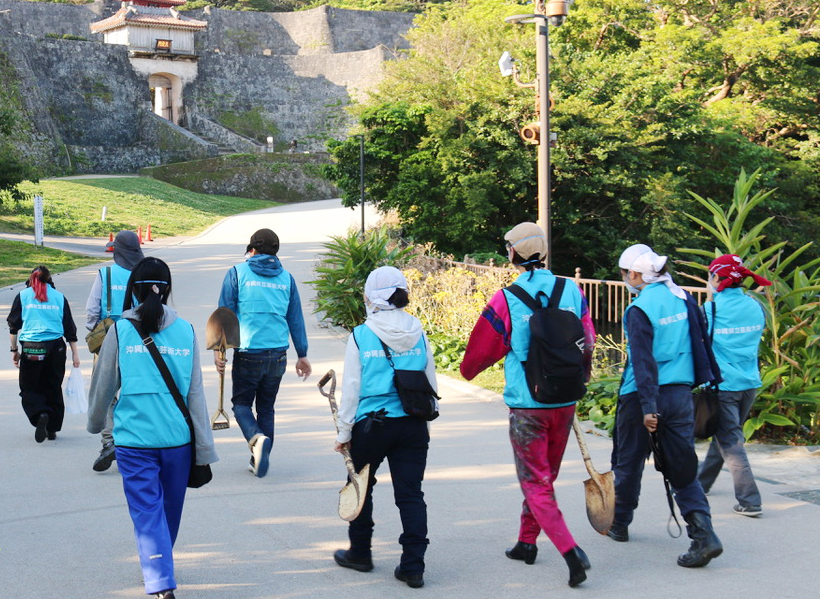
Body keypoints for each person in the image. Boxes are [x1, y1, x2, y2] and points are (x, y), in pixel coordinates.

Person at [460, 223, 594, 587]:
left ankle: (571, 552)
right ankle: (526, 542)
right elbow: (589, 341)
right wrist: (578, 378)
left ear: (513, 254)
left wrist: (466, 371)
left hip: (528, 405)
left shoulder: (506, 299)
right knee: (544, 477)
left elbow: (478, 355)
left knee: (535, 481)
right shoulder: (572, 290)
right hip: (564, 402)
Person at [87, 257, 217, 599]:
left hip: (134, 441)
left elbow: (104, 384)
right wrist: (202, 446)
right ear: (168, 289)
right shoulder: (187, 330)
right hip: (178, 441)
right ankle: (160, 572)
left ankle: (159, 577)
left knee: (148, 513)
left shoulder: (120, 330)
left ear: (133, 291)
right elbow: (195, 395)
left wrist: (95, 422)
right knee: (168, 513)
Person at [610, 244, 723, 567]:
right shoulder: (683, 297)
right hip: (680, 395)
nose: (624, 279)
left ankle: (619, 523)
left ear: (634, 274)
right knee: (682, 465)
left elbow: (644, 363)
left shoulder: (639, 309)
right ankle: (704, 535)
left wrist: (648, 407)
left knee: (629, 460)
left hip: (643, 398)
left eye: (624, 274)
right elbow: (702, 342)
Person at [332, 267, 436, 589]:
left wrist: (343, 432)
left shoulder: (362, 334)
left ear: (372, 296)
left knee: (361, 486)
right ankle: (413, 565)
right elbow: (430, 380)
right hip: (413, 424)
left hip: (372, 426)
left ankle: (360, 553)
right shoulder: (418, 331)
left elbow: (351, 388)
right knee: (410, 494)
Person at [216, 228, 310, 478]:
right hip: (278, 353)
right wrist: (302, 354)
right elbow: (295, 318)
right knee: (266, 408)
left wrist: (220, 349)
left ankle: (256, 440)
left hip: (249, 352)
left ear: (252, 249)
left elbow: (225, 313)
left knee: (241, 405)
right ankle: (258, 456)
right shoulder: (287, 279)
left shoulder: (237, 273)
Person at [697, 254, 770, 516]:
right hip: (750, 383)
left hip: (724, 386)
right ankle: (700, 483)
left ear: (717, 278)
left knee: (731, 441)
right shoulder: (755, 305)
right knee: (726, 434)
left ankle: (750, 501)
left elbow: (699, 344)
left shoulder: (710, 310)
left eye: (710, 276)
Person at [85, 230, 145, 472]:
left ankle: (109, 440)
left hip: (108, 338)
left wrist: (95, 331)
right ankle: (132, 441)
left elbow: (92, 309)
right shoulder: (143, 274)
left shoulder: (105, 273)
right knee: (132, 391)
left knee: (107, 392)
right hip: (137, 340)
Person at [8, 265, 80, 443]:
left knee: (30, 386)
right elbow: (69, 328)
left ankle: (40, 413)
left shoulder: (23, 296)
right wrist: (75, 355)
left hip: (32, 348)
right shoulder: (59, 297)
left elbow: (13, 326)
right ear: (49, 279)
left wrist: (14, 350)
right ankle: (52, 427)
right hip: (56, 348)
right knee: (53, 386)